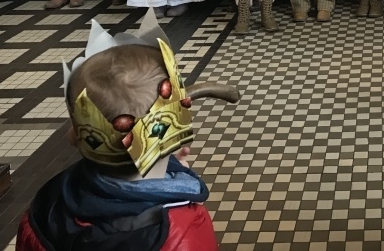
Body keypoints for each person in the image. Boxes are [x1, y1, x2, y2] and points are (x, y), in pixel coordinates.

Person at [16, 15, 237, 251]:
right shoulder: (180, 232)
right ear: (176, 138)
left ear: (74, 135)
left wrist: (170, 165)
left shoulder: (45, 208)